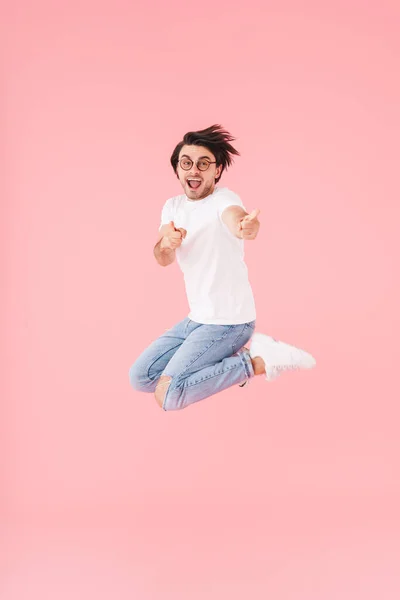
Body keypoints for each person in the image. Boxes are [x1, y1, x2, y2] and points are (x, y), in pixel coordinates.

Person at [129, 124, 316, 411]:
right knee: (141, 377)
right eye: (187, 163)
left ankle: (258, 360)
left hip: (229, 321)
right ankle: (233, 363)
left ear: (216, 171)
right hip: (197, 319)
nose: (194, 170)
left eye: (204, 164)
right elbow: (162, 258)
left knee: (167, 395)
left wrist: (245, 226)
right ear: (177, 169)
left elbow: (237, 220)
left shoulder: (224, 200)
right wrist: (166, 243)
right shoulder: (172, 208)